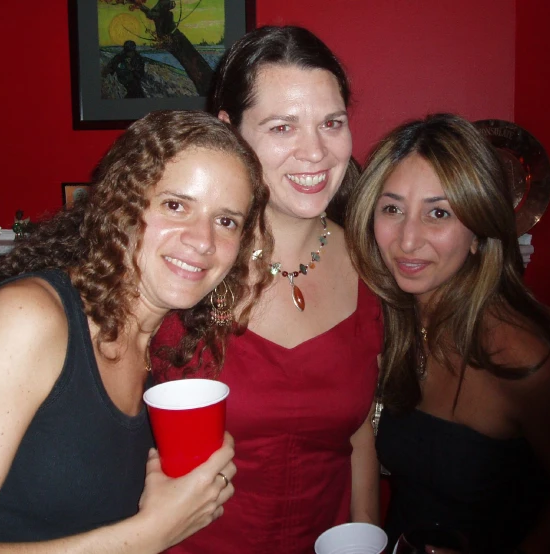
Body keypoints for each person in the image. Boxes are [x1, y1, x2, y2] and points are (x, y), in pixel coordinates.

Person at [0, 110, 271, 551]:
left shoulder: (156, 349)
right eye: (175, 205)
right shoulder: (29, 318)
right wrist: (149, 534)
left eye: (226, 220)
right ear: (121, 205)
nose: (203, 240)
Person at [151, 26, 383, 554]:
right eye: (283, 126)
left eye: (332, 123)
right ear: (229, 131)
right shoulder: (183, 262)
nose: (316, 152)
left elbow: (360, 433)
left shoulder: (374, 264)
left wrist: (368, 533)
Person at [346, 114, 550, 554]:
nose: (408, 240)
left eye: (439, 213)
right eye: (392, 209)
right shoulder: (388, 321)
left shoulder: (521, 358)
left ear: (478, 232)